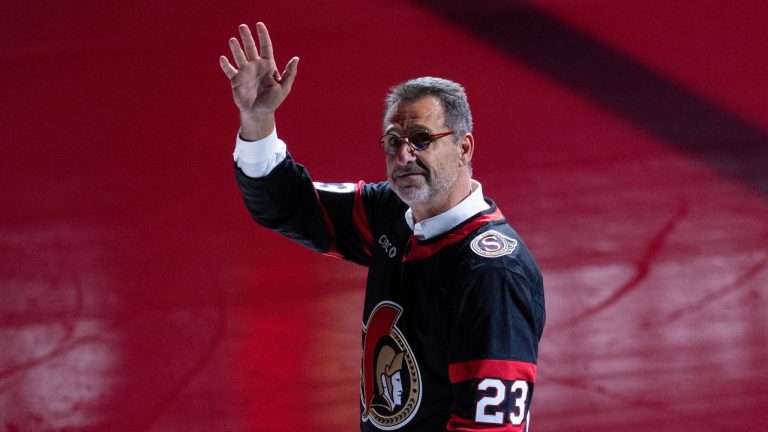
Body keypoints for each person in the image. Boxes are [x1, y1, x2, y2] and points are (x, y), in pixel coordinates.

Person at [220, 22, 545, 431]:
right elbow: (285, 204)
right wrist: (257, 118)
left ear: (464, 148)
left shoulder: (492, 274)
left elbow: (489, 427)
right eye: (393, 141)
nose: (404, 155)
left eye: (422, 139)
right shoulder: (391, 214)